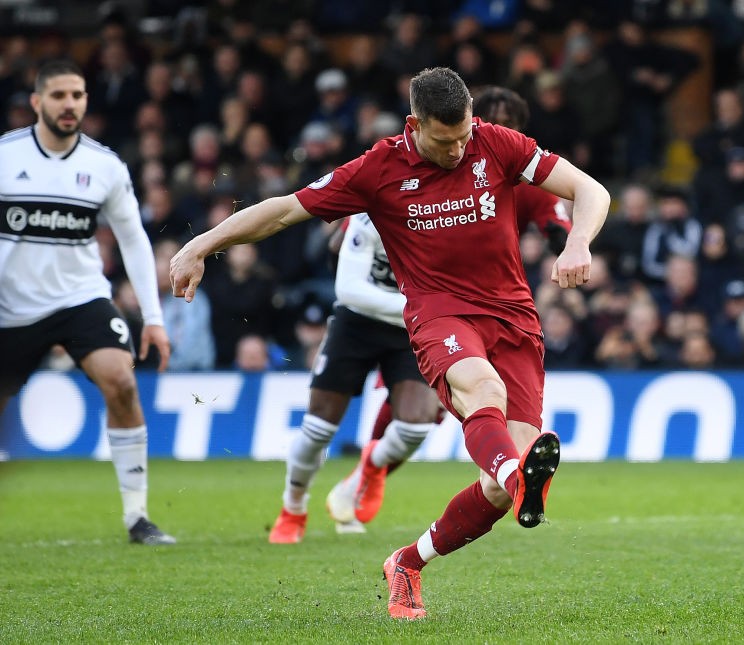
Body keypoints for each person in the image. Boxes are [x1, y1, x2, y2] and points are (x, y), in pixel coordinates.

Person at [169, 67, 609, 620]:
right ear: (414, 124)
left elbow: (590, 189)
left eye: (464, 136)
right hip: (439, 313)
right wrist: (199, 247)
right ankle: (516, 477)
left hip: (515, 319)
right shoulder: (378, 168)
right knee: (483, 389)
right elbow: (283, 209)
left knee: (496, 492)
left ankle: (408, 561)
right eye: (444, 141)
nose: (457, 151)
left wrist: (578, 244)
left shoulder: (495, 143)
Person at [315, 85, 575, 539]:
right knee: (452, 398)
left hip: (502, 309)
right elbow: (339, 223)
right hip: (434, 308)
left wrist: (572, 248)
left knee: (430, 419)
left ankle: (373, 469)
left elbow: (558, 224)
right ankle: (365, 472)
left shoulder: (519, 172)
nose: (468, 147)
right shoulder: (406, 169)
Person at [0, 60, 175, 545]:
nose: (69, 104)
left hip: (80, 298)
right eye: (58, 96)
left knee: (121, 380)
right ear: (37, 102)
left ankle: (138, 517)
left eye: (77, 95)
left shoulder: (104, 166)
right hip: (11, 306)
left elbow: (134, 240)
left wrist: (153, 319)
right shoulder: (5, 156)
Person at [268, 213, 443, 543]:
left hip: (411, 330)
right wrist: (422, 305)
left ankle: (368, 468)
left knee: (416, 425)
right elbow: (349, 290)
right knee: (318, 428)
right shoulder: (371, 215)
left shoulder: (451, 215)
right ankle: (293, 508)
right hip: (357, 325)